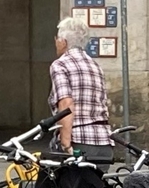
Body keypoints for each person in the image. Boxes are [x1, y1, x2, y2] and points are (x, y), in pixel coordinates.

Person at [47, 15, 111, 159]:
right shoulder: (95, 65)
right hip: (103, 142)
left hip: (78, 142)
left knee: (52, 179)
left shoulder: (60, 64)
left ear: (63, 42)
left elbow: (66, 104)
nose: (55, 42)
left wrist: (66, 143)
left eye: (56, 38)